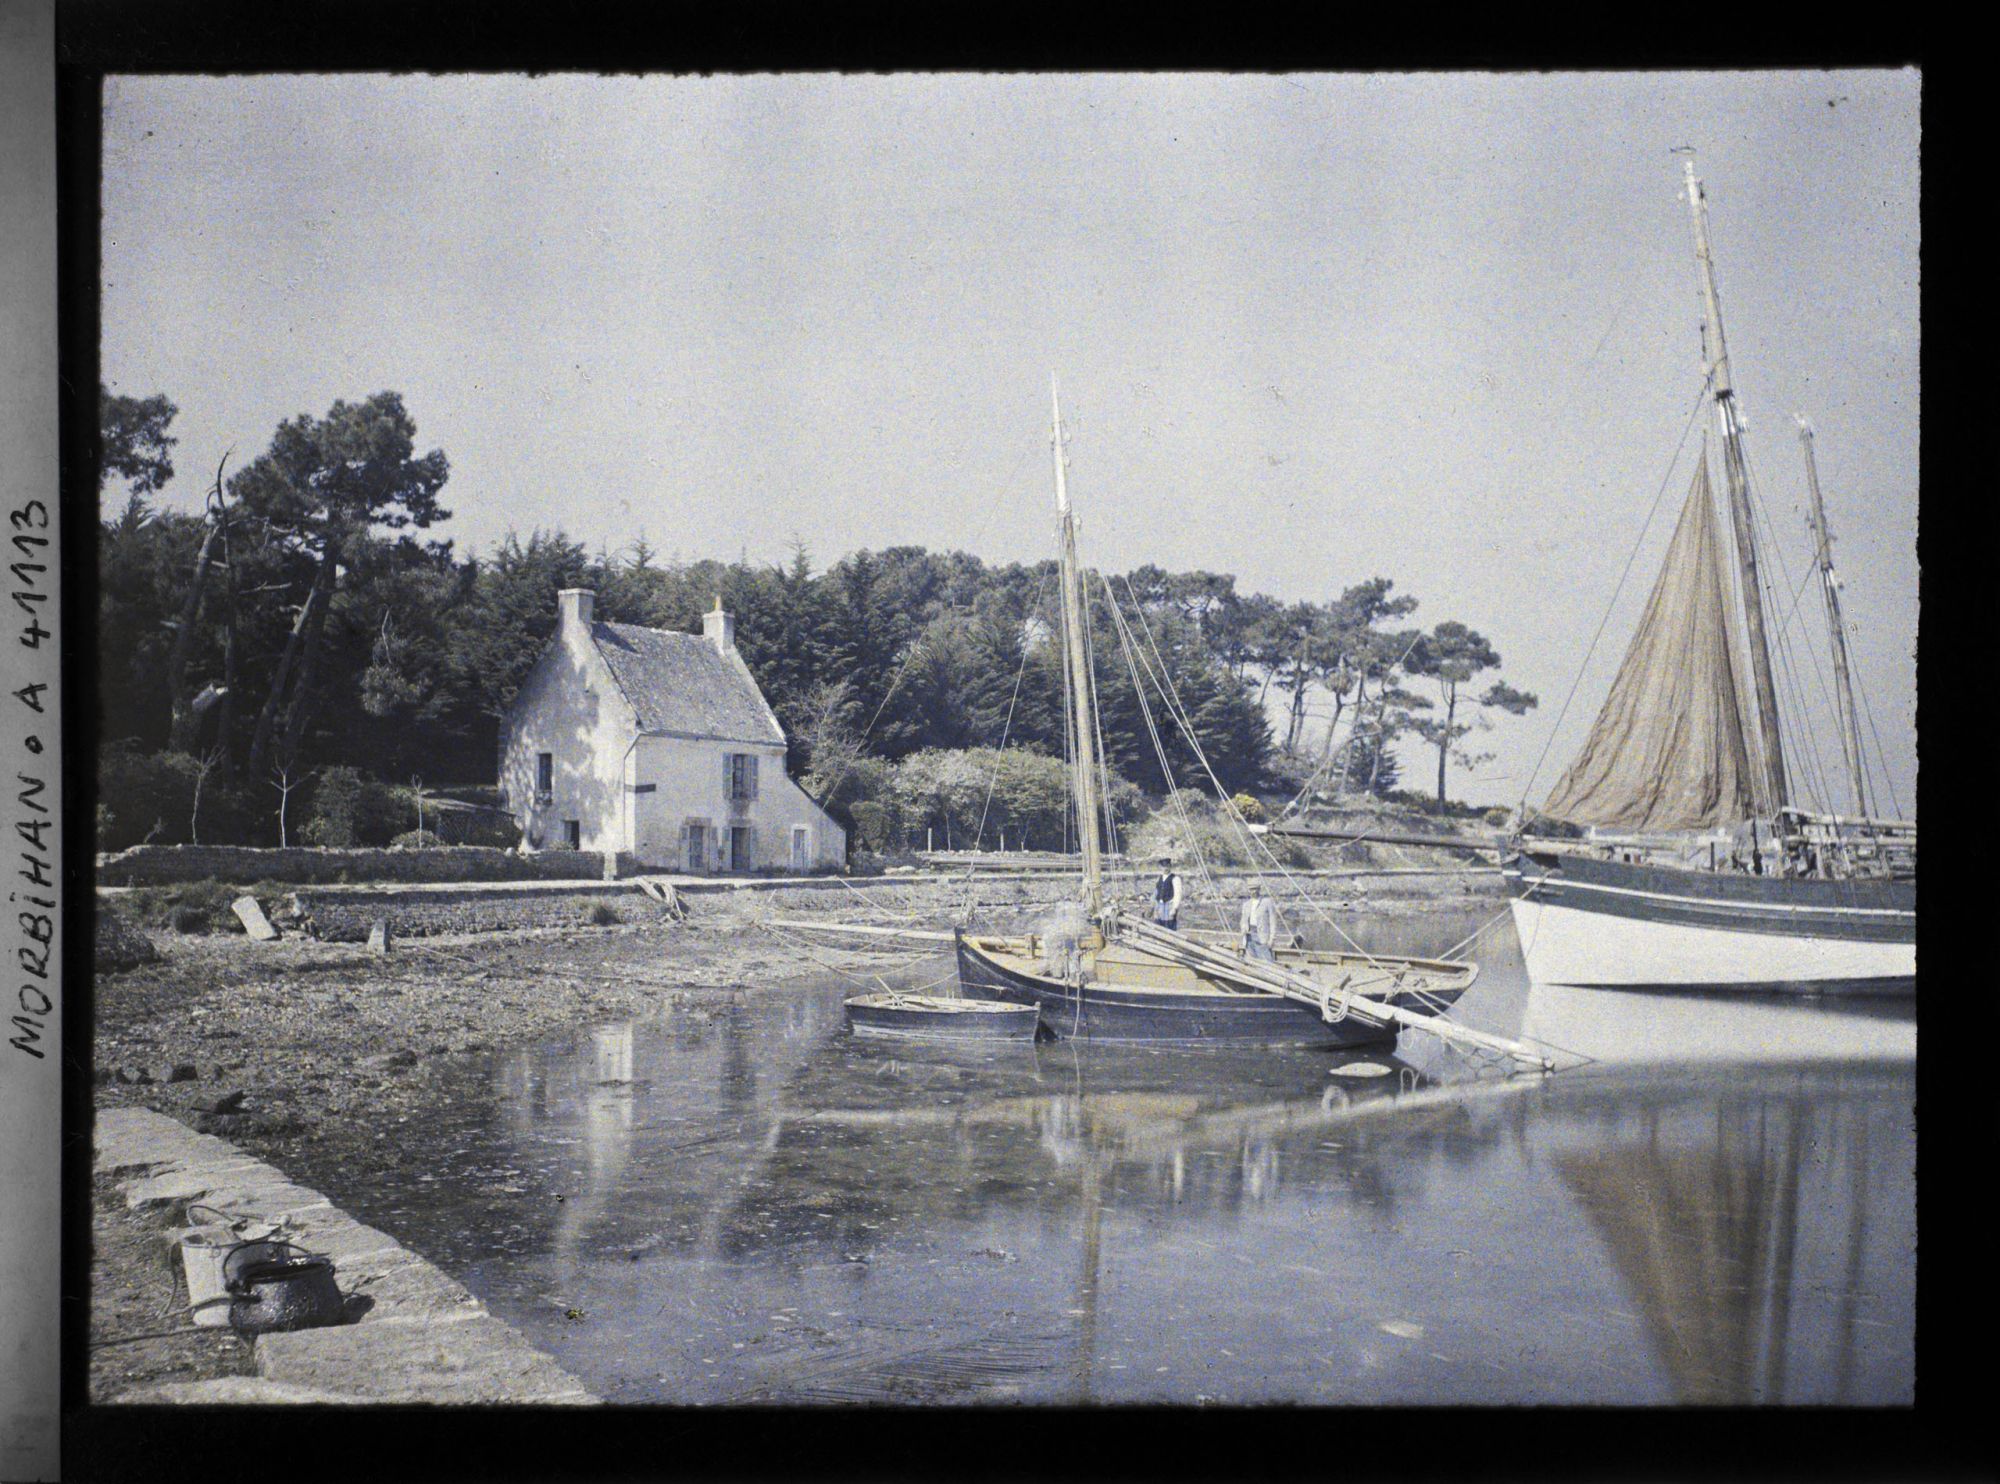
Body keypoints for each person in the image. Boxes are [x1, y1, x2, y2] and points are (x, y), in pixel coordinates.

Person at [1239, 886, 1278, 963]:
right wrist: (1243, 928)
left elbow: (1273, 921)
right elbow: (1243, 920)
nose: (1253, 891)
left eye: (1255, 889)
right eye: (1251, 889)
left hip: (1262, 935)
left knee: (1267, 961)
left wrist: (1272, 939)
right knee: (1251, 961)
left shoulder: (1267, 902)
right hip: (1249, 936)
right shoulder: (1246, 904)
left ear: (1259, 889)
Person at [1151, 856, 1184, 931]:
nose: (1165, 868)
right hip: (1159, 906)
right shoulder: (1159, 878)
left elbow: (1177, 895)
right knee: (1158, 928)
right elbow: (1156, 892)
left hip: (1169, 906)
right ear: (1160, 867)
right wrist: (1153, 906)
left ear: (1170, 866)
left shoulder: (1175, 879)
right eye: (1163, 866)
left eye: (1167, 866)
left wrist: (1174, 908)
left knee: (1169, 927)